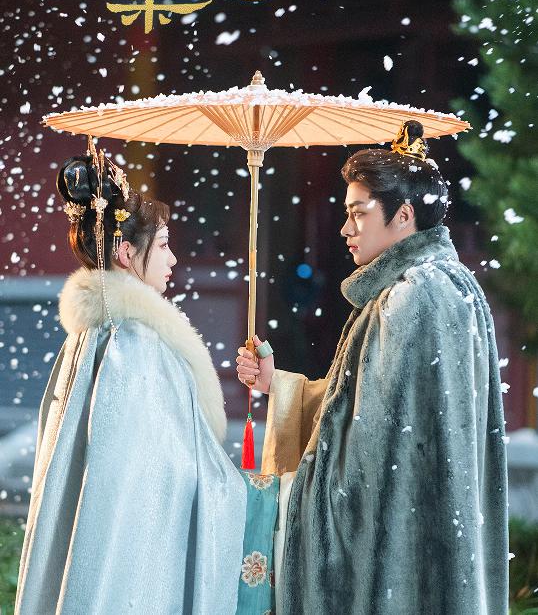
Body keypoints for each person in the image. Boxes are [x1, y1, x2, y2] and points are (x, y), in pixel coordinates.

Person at [236, 120, 508, 615]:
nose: (346, 229)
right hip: (426, 542)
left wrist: (297, 500)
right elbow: (363, 410)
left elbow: (374, 449)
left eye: (358, 214)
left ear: (403, 215)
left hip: (401, 551)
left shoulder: (415, 296)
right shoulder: (442, 284)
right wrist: (279, 384)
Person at [15, 140, 246, 615]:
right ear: (125, 252)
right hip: (141, 551)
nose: (173, 260)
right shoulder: (134, 343)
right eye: (162, 245)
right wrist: (240, 489)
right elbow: (161, 474)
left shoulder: (93, 334)